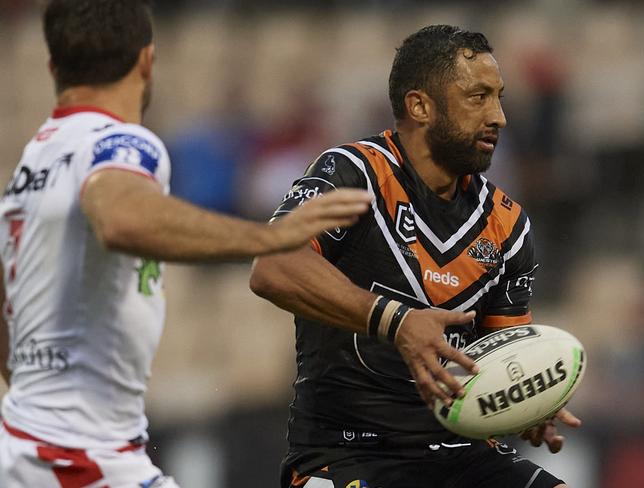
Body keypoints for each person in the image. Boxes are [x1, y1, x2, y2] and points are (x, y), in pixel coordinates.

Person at [0, 1, 372, 487]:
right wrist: (269, 236)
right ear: (147, 61)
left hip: (33, 441)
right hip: (79, 454)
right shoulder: (123, 144)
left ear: (53, 67)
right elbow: (119, 217)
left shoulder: (33, 162)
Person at [250, 25, 581, 488]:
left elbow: (503, 356)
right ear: (420, 106)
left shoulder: (508, 226)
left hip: (463, 457)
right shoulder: (354, 173)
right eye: (478, 97)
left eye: (499, 97)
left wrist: (523, 400)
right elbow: (271, 267)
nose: (499, 117)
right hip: (347, 452)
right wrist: (396, 320)